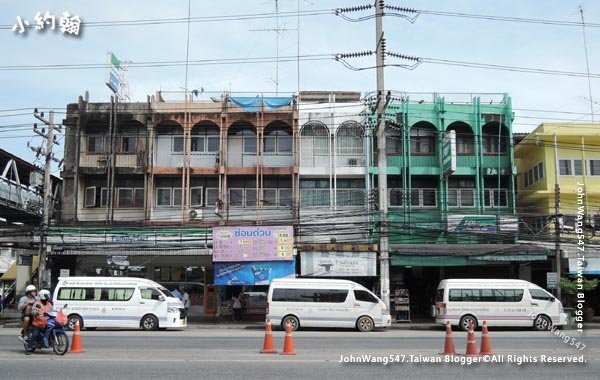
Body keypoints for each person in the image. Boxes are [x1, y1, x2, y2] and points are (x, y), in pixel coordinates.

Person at [25, 289, 53, 354]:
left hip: (47, 323)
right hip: (37, 323)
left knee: (52, 330)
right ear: (43, 296)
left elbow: (52, 311)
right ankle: (29, 348)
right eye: (47, 295)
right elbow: (33, 311)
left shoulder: (49, 304)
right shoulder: (37, 303)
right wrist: (36, 313)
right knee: (35, 334)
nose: (48, 297)